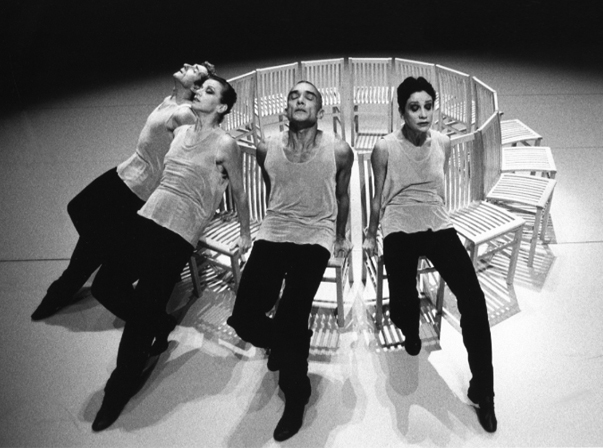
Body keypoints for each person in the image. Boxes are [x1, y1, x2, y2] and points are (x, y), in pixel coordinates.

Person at [89, 74, 252, 431]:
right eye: (200, 87)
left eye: (209, 91)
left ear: (222, 106)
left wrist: (244, 232)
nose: (200, 92)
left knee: (141, 312)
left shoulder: (226, 143)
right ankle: (158, 322)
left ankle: (118, 389)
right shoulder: (179, 130)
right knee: (105, 286)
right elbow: (158, 130)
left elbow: (239, 192)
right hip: (148, 217)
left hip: (179, 231)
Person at [362, 76, 498, 433]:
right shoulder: (384, 147)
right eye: (414, 107)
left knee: (473, 299)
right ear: (401, 111)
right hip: (399, 222)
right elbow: (378, 196)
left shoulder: (443, 142)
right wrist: (370, 233)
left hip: (436, 222)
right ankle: (409, 329)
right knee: (402, 301)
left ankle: (484, 391)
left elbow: (436, 189)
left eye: (427, 106)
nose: (423, 114)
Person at [31, 62, 212, 321]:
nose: (186, 65)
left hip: (139, 188)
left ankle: (62, 290)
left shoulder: (185, 114)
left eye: (194, 69)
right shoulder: (172, 99)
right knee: (79, 212)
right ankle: (88, 267)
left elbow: (189, 155)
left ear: (195, 87)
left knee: (89, 245)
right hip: (126, 171)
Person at [227, 81, 354, 442]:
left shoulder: (339, 150)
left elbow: (342, 196)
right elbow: (273, 191)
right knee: (243, 318)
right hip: (275, 230)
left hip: (315, 234)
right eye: (294, 96)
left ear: (320, 111)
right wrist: (266, 225)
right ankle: (287, 344)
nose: (300, 100)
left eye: (309, 96)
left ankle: (296, 394)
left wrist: (340, 238)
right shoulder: (266, 148)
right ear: (285, 109)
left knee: (292, 313)